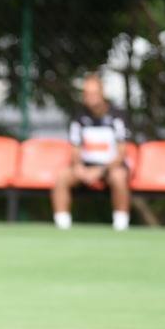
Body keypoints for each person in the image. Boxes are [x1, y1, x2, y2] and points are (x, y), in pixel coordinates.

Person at [51, 73, 132, 231]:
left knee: (119, 177)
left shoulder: (118, 117)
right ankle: (62, 225)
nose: (90, 97)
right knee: (62, 176)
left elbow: (122, 152)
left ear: (102, 93)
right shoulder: (79, 117)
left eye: (93, 93)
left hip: (111, 167)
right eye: (86, 93)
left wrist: (100, 171)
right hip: (86, 166)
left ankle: (121, 224)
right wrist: (79, 168)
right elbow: (75, 148)